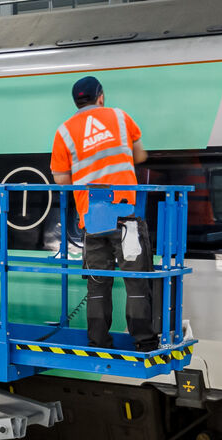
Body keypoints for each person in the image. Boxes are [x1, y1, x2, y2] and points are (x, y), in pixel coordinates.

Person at [49, 76, 158, 352]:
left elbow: (62, 181)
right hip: (126, 217)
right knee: (137, 282)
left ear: (76, 102)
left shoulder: (64, 131)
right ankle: (144, 343)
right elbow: (140, 155)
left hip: (93, 219)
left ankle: (98, 342)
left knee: (97, 285)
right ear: (101, 96)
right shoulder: (120, 118)